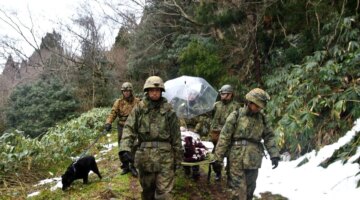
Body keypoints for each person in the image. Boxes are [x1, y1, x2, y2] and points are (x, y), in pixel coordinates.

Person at [119, 76, 182, 200]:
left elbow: (176, 136)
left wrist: (178, 158)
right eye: (151, 90)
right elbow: (129, 128)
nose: (154, 93)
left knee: (164, 194)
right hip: (145, 157)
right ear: (147, 91)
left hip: (165, 158)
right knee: (147, 192)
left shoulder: (169, 110)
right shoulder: (139, 109)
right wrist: (125, 148)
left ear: (161, 92)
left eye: (157, 90)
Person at [214, 88, 280, 200]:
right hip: (236, 158)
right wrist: (218, 158)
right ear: (250, 102)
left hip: (254, 159)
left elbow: (269, 136)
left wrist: (274, 154)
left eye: (261, 106)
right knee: (238, 193)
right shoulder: (236, 115)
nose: (259, 108)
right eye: (257, 105)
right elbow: (224, 137)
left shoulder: (262, 118)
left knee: (250, 191)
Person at [104, 82, 140, 177]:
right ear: (122, 92)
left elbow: (143, 112)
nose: (126, 93)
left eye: (128, 91)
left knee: (134, 145)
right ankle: (125, 166)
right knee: (122, 147)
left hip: (133, 126)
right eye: (124, 91)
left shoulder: (137, 101)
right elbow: (113, 113)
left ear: (131, 91)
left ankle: (133, 166)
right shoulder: (118, 102)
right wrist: (108, 122)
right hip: (122, 126)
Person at [210, 84, 241, 181]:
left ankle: (229, 175)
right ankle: (218, 173)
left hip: (230, 136)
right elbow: (211, 117)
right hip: (217, 135)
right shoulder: (216, 105)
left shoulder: (236, 107)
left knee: (231, 158)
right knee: (215, 157)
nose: (221, 95)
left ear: (230, 94)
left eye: (223, 94)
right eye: (221, 94)